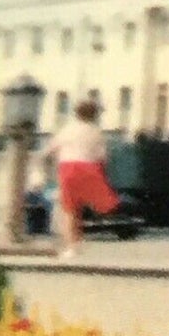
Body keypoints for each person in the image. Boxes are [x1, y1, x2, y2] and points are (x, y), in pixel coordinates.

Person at [41, 98, 118, 260]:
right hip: (90, 168)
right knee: (87, 207)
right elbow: (103, 157)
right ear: (95, 115)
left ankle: (72, 246)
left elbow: (49, 151)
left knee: (70, 209)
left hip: (69, 168)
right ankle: (79, 239)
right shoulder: (96, 132)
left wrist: (48, 170)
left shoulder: (67, 130)